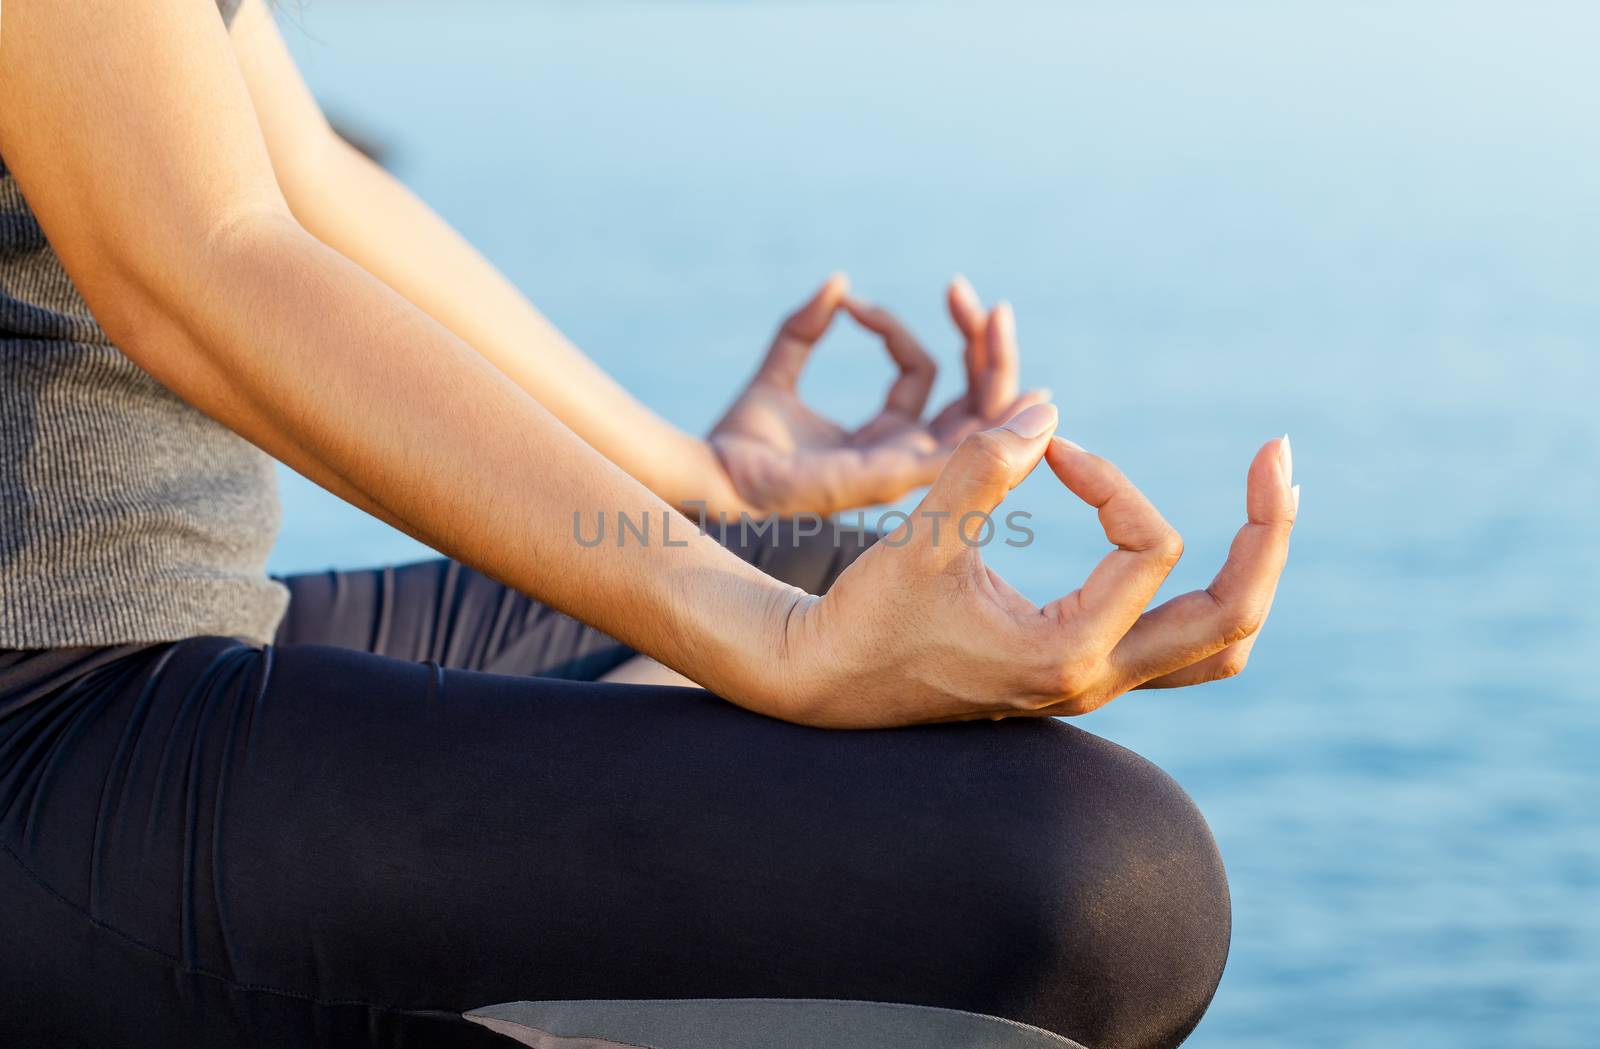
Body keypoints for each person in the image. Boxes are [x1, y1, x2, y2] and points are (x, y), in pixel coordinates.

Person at [0, 2, 1297, 1047]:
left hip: (181, 624)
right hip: (37, 724)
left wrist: (700, 476)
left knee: (816, 575)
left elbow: (296, 180)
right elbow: (200, 257)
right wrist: (776, 645)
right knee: (1105, 887)